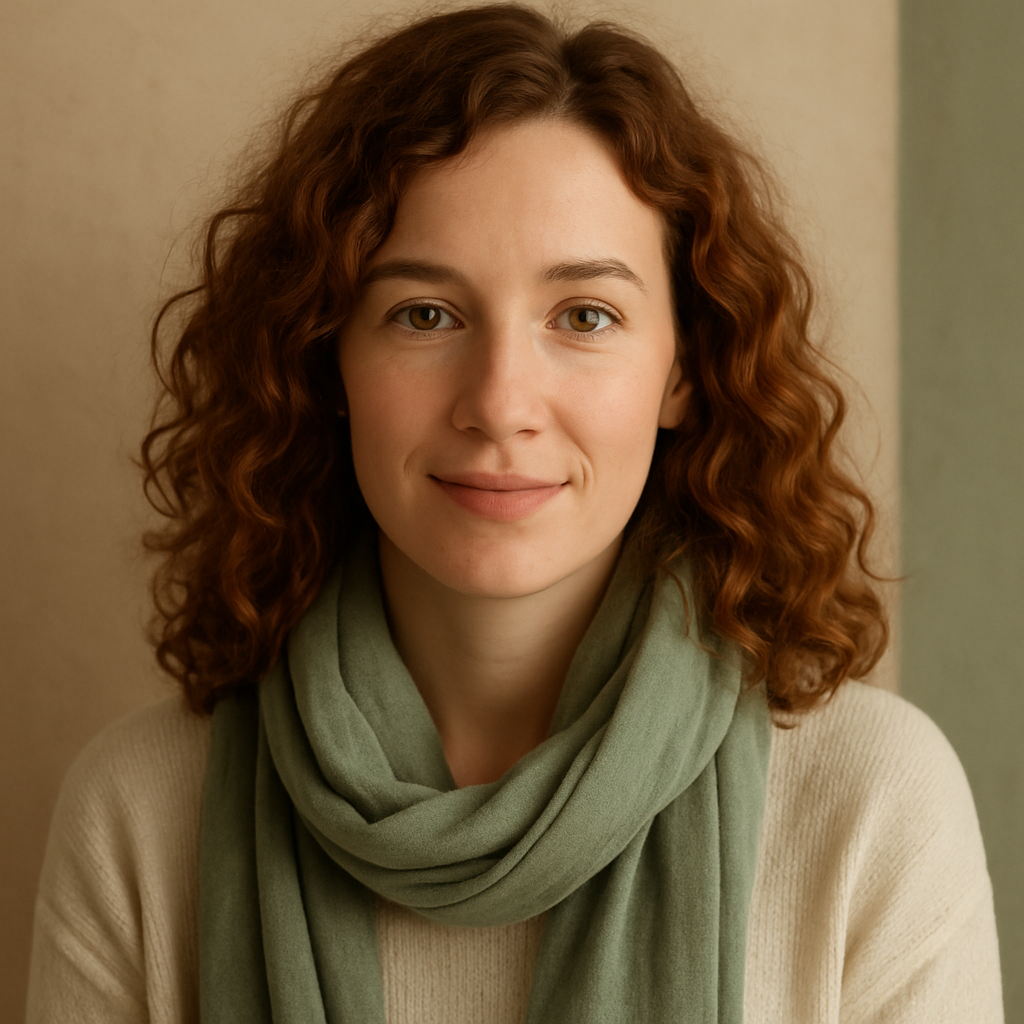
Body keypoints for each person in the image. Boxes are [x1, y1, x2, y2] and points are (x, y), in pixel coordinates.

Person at [25, 5, 1003, 1023]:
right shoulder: (142, 811)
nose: (498, 402)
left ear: (684, 372)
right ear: (328, 362)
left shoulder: (870, 803)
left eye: (584, 316)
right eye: (424, 314)